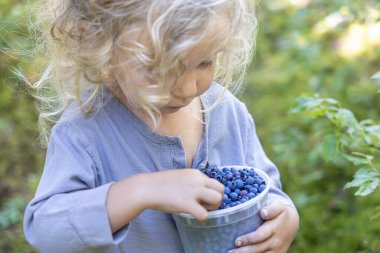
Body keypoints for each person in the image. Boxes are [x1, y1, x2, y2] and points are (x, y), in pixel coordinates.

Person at [24, 1, 299, 253]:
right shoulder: (85, 133)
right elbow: (45, 230)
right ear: (102, 46)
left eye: (205, 62)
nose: (187, 88)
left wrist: (285, 215)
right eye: (161, 69)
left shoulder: (226, 110)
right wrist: (139, 192)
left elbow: (265, 185)